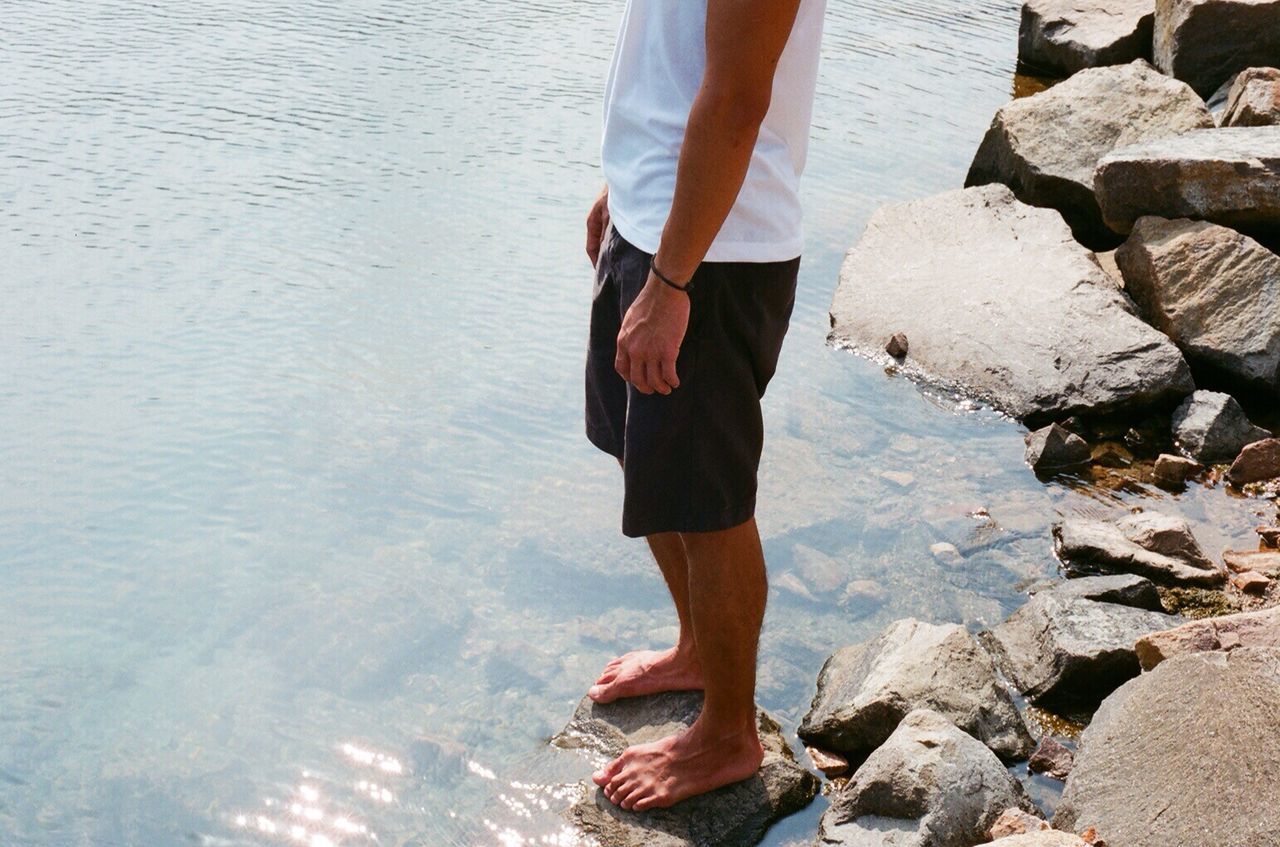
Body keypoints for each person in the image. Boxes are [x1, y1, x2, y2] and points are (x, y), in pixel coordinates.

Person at [581, 0, 826, 812]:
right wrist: (623, 183)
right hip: (658, 216)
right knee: (646, 457)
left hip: (714, 254)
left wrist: (673, 280)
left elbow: (736, 100)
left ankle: (729, 732)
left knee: (708, 499)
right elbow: (671, 50)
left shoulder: (694, 272)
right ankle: (696, 650)